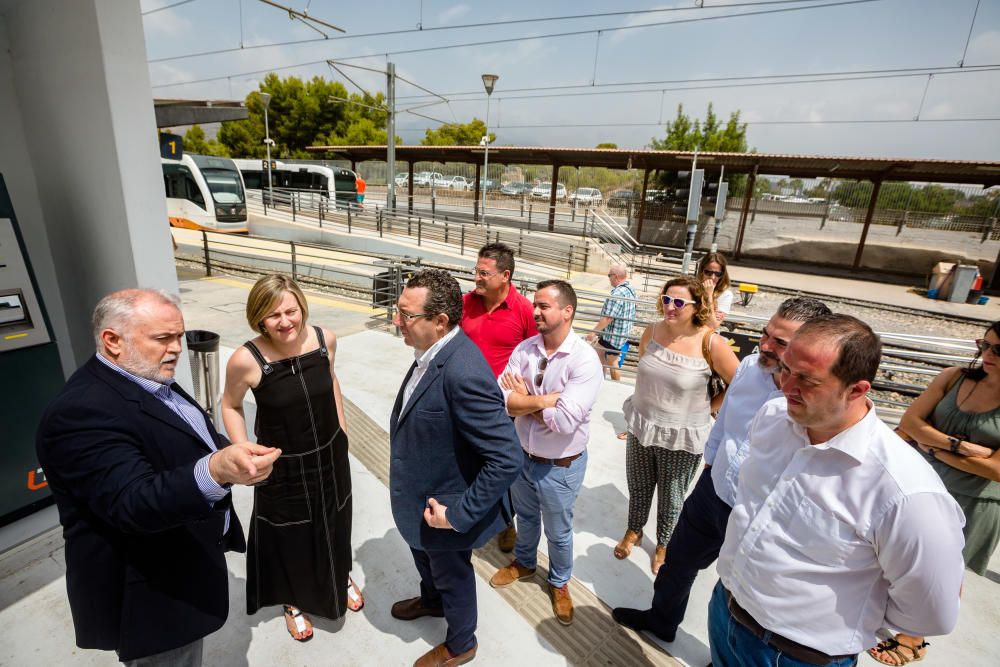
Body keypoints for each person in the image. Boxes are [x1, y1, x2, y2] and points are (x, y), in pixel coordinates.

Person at [36, 289, 280, 666]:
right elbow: (131, 503)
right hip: (152, 598)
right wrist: (216, 469)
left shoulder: (145, 374)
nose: (177, 348)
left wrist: (227, 453)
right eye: (163, 338)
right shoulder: (79, 413)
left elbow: (187, 432)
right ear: (112, 341)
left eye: (179, 336)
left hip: (183, 567)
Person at [710, 314, 966, 667]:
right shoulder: (773, 417)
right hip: (725, 612)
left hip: (797, 657)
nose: (785, 387)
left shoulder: (906, 494)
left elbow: (930, 612)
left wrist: (839, 621)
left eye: (806, 380)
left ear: (857, 390)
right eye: (785, 369)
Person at [612, 297, 831, 643]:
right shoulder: (749, 368)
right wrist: (711, 464)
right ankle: (661, 621)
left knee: (741, 593)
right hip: (712, 492)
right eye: (766, 334)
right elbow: (726, 420)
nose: (765, 345)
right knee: (677, 565)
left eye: (780, 343)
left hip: (761, 514)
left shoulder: (821, 403)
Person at [388, 269, 522, 667]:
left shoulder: (462, 372)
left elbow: (507, 457)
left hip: (444, 510)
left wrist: (458, 515)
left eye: (406, 315)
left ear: (440, 321)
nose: (398, 321)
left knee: (453, 574)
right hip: (420, 501)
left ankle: (461, 642)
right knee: (426, 560)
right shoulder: (430, 354)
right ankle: (432, 602)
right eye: (398, 310)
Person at [220, 274, 361, 643]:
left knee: (336, 517)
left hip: (331, 454)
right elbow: (230, 405)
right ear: (259, 320)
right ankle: (291, 600)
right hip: (281, 465)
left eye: (290, 311)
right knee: (289, 535)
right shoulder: (245, 360)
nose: (284, 322)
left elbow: (331, 380)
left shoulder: (325, 340)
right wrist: (244, 451)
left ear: (301, 307)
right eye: (272, 315)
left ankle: (339, 571)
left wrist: (342, 430)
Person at [872, 320, 1000, 665]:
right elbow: (911, 422)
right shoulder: (953, 376)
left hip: (973, 500)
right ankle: (895, 621)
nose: (986, 354)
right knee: (895, 557)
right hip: (920, 482)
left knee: (943, 572)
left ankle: (914, 638)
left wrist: (934, 445)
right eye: (983, 345)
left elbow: (998, 470)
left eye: (997, 349)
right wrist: (962, 448)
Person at [489, 280, 603, 626]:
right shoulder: (525, 350)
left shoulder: (584, 360)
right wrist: (545, 400)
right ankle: (524, 563)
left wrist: (526, 400)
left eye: (544, 306)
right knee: (525, 518)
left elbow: (566, 421)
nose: (535, 311)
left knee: (558, 531)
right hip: (523, 457)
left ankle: (559, 582)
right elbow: (503, 400)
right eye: (535, 305)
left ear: (567, 312)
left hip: (560, 467)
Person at [614, 276, 739, 575]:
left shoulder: (710, 342)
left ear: (696, 307)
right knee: (639, 484)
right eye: (667, 299)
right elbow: (647, 368)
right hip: (643, 424)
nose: (670, 306)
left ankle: (664, 544)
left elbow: (738, 382)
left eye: (679, 302)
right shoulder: (652, 330)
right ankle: (634, 530)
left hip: (682, 434)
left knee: (672, 495)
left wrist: (710, 407)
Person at [460, 242, 538, 553]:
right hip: (464, 399)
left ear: (505, 275)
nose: (476, 278)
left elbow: (535, 356)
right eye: (476, 271)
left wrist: (527, 396)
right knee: (467, 460)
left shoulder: (524, 311)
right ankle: (472, 513)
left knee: (502, 465)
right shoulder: (464, 303)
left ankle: (505, 522)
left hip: (503, 407)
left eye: (483, 273)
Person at [586, 264, 637, 381]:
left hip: (613, 336)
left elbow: (608, 318)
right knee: (597, 356)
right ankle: (599, 381)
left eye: (609, 275)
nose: (608, 278)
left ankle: (616, 385)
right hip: (616, 334)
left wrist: (593, 333)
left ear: (616, 276)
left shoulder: (618, 294)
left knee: (613, 364)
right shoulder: (630, 289)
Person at [696, 252, 733, 329]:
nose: (713, 277)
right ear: (701, 271)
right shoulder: (692, 287)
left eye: (718, 274)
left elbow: (712, 325)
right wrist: (712, 312)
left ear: (722, 275)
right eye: (708, 272)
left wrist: (709, 295)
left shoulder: (726, 294)